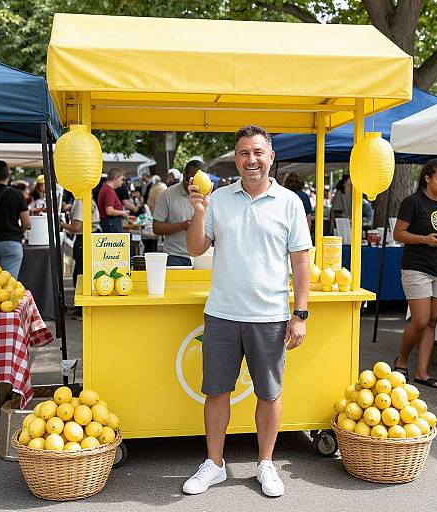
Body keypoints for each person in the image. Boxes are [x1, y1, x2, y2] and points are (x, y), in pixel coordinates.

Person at [184, 125, 312, 497]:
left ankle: (266, 464)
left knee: (269, 394)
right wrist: (198, 211)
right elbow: (195, 248)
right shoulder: (218, 199)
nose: (251, 160)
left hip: (270, 315)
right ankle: (214, 464)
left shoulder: (290, 202)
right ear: (235, 158)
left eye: (258, 152)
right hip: (222, 312)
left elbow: (301, 263)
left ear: (271, 157)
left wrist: (299, 314)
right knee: (217, 391)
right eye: (243, 153)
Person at [393, 159, 437, 389]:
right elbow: (398, 234)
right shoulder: (413, 202)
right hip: (416, 266)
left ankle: (422, 372)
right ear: (428, 178)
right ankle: (401, 360)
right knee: (420, 320)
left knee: (432, 321)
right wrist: (424, 240)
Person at [153, 161, 205, 266]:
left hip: (203, 257)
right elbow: (156, 228)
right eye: (190, 179)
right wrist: (182, 225)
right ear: (184, 175)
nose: (193, 184)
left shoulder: (209, 196)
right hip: (175, 256)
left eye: (198, 181)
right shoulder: (167, 195)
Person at [61, 197, 101, 317]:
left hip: (84, 238)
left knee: (80, 272)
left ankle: (81, 307)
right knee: (85, 271)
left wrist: (61, 224)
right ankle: (83, 306)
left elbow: (76, 227)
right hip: (92, 236)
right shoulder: (89, 198)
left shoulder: (80, 201)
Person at [97, 168, 128, 233]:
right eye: (122, 179)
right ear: (116, 177)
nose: (122, 182)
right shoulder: (109, 191)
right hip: (111, 223)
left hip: (108, 223)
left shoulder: (105, 188)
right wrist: (123, 213)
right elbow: (109, 211)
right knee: (115, 242)